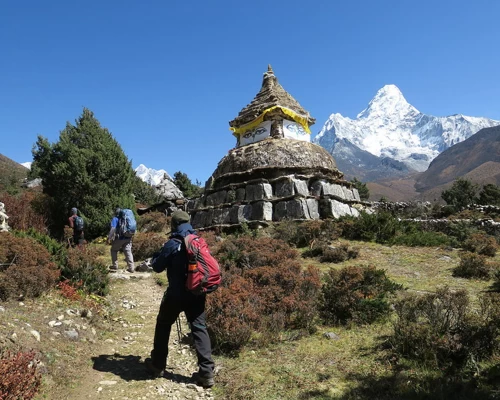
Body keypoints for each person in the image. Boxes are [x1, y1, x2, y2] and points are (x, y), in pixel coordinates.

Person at [145, 210, 215, 388]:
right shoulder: (198, 242)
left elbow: (157, 267)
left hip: (175, 295)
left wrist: (156, 257)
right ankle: (206, 373)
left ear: (173, 225)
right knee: (199, 328)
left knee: (163, 323)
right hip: (197, 293)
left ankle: (158, 364)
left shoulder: (172, 243)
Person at [107, 208, 135, 273]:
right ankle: (131, 268)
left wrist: (109, 238)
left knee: (113, 250)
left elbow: (113, 229)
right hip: (128, 237)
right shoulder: (125, 218)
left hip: (119, 238)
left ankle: (115, 266)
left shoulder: (115, 219)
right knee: (128, 251)